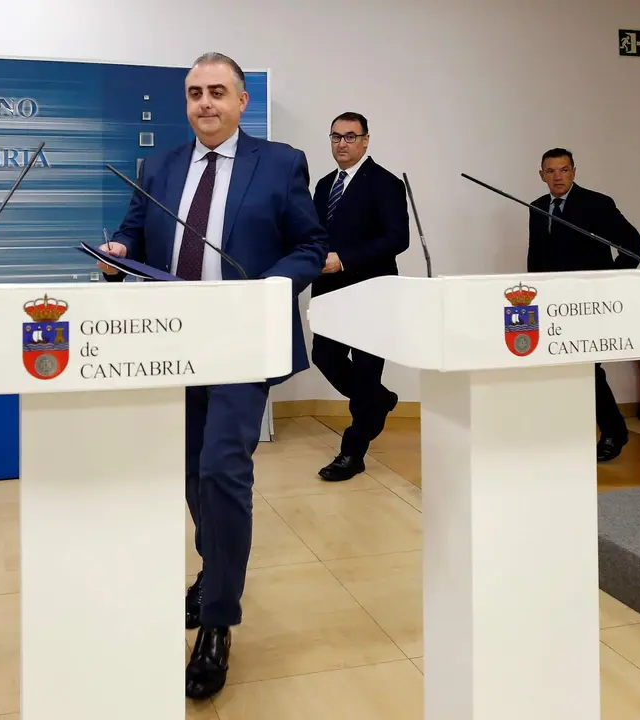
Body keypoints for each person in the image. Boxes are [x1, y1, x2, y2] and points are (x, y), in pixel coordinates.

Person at [97, 52, 328, 699]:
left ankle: (219, 621)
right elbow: (133, 238)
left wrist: (272, 286)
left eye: (217, 92)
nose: (205, 103)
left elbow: (310, 245)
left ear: (242, 100)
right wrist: (116, 256)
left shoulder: (280, 163)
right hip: (174, 343)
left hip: (242, 339)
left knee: (224, 467)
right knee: (193, 470)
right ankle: (214, 568)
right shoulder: (159, 167)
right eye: (195, 93)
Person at [527, 148, 640, 462]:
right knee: (561, 369)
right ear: (542, 175)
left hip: (587, 302)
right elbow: (535, 257)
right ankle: (579, 431)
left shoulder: (596, 204)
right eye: (550, 171)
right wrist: (534, 297)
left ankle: (612, 432)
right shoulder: (538, 207)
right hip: (552, 303)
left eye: (563, 170)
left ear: (574, 171)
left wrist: (608, 282)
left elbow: (633, 245)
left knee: (587, 368)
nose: (557, 177)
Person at [309, 112, 409, 481]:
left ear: (366, 140)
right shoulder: (323, 185)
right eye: (336, 136)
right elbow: (315, 234)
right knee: (325, 357)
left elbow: (397, 239)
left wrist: (344, 260)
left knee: (366, 373)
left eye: (351, 137)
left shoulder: (385, 183)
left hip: (372, 293)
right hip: (329, 294)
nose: (342, 143)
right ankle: (380, 401)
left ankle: (353, 452)